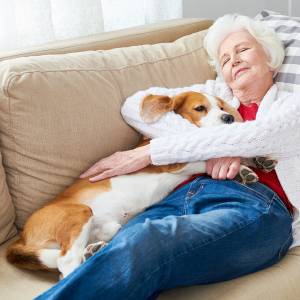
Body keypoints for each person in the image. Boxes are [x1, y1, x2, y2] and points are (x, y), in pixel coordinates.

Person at [36, 14, 300, 300]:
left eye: (243, 50)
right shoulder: (212, 97)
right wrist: (213, 145)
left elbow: (260, 135)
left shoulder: (291, 103)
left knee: (146, 242)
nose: (233, 60)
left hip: (256, 206)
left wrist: (153, 151)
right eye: (224, 60)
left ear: (272, 61)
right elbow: (136, 107)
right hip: (182, 196)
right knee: (124, 251)